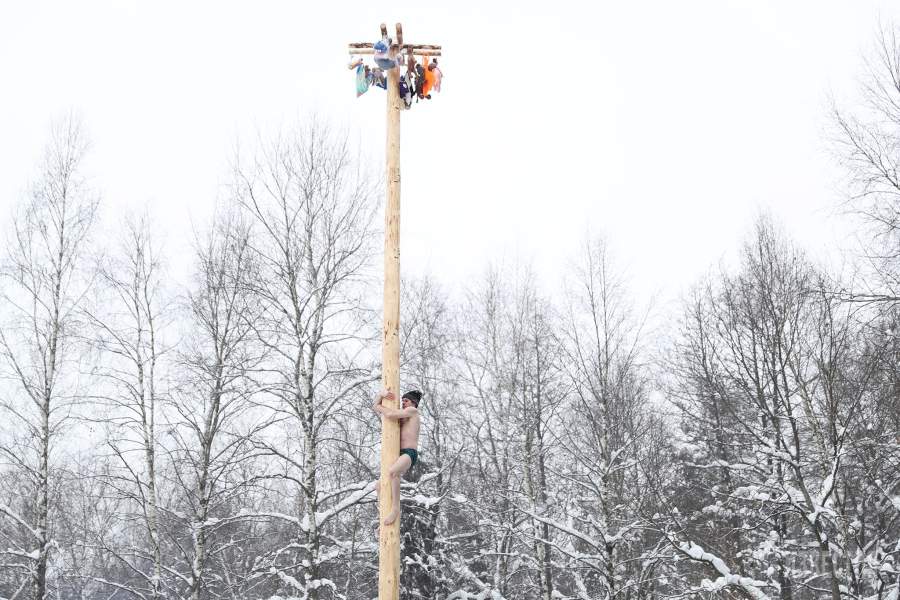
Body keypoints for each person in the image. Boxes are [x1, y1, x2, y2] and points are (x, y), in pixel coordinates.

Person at [372, 389, 422, 525]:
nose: (403, 403)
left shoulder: (413, 411)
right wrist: (380, 395)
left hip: (409, 453)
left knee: (393, 473)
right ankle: (381, 515)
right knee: (378, 485)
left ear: (413, 403)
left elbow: (390, 414)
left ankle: (395, 509)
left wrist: (380, 405)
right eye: (403, 401)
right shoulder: (404, 416)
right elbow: (376, 407)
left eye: (406, 401)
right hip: (398, 453)